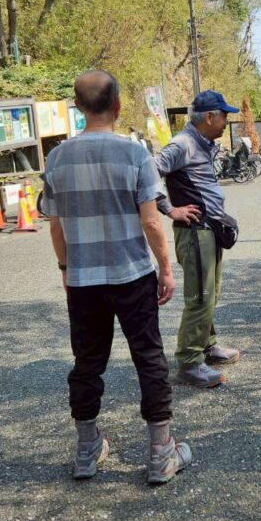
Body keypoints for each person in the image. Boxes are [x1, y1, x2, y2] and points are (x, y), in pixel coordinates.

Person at [43, 70, 191, 485]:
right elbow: (152, 222)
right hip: (131, 275)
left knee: (87, 362)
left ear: (77, 107)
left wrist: (66, 269)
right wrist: (165, 268)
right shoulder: (134, 155)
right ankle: (162, 453)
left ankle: (88, 450)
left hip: (83, 279)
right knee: (148, 356)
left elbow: (56, 227)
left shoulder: (56, 158)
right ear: (118, 105)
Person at [155, 90, 241, 389]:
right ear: (209, 117)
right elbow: (148, 173)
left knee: (211, 292)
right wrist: (170, 209)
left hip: (209, 229)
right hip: (195, 231)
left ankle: (206, 345)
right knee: (200, 297)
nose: (226, 122)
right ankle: (190, 362)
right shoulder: (183, 144)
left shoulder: (201, 143)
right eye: (224, 116)